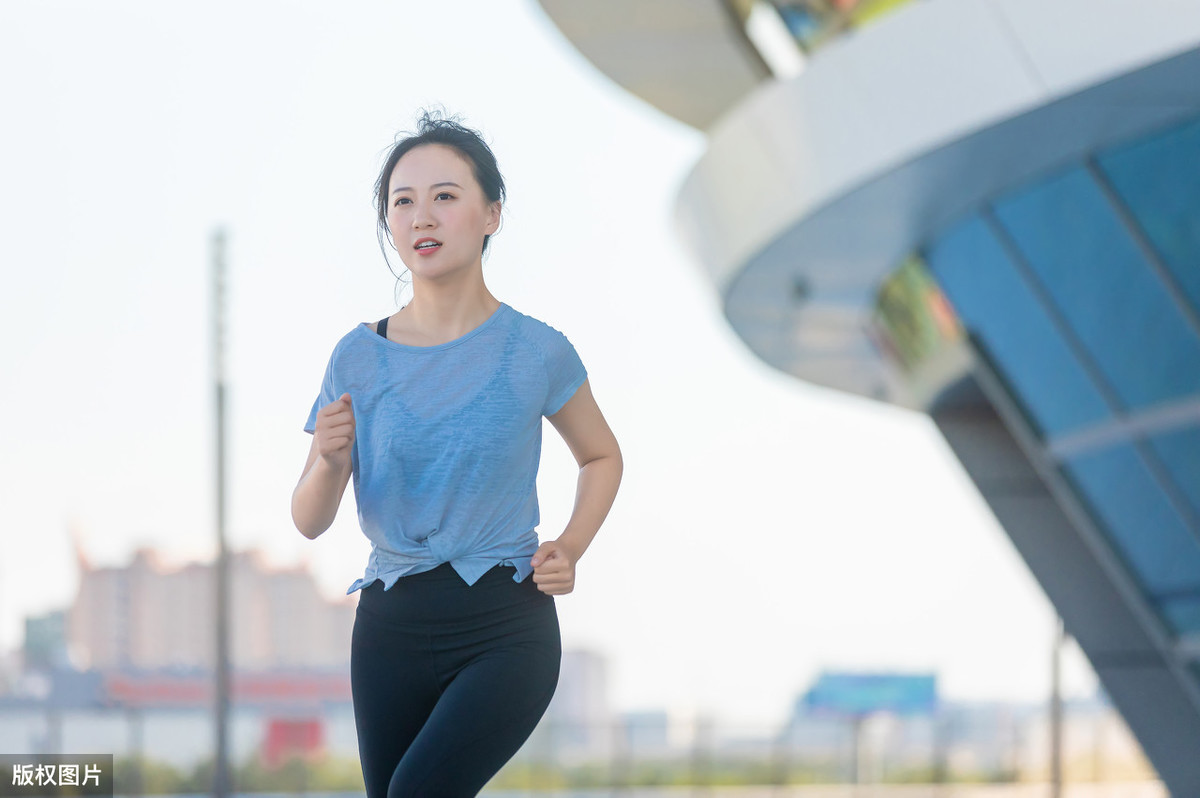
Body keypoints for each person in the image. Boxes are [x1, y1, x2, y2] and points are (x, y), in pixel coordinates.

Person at [290, 111, 622, 798]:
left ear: (491, 212)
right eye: (402, 203)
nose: (422, 218)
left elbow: (601, 456)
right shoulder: (357, 356)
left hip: (506, 625)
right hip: (389, 629)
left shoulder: (537, 350)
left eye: (444, 196)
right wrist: (327, 461)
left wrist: (572, 544)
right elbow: (308, 520)